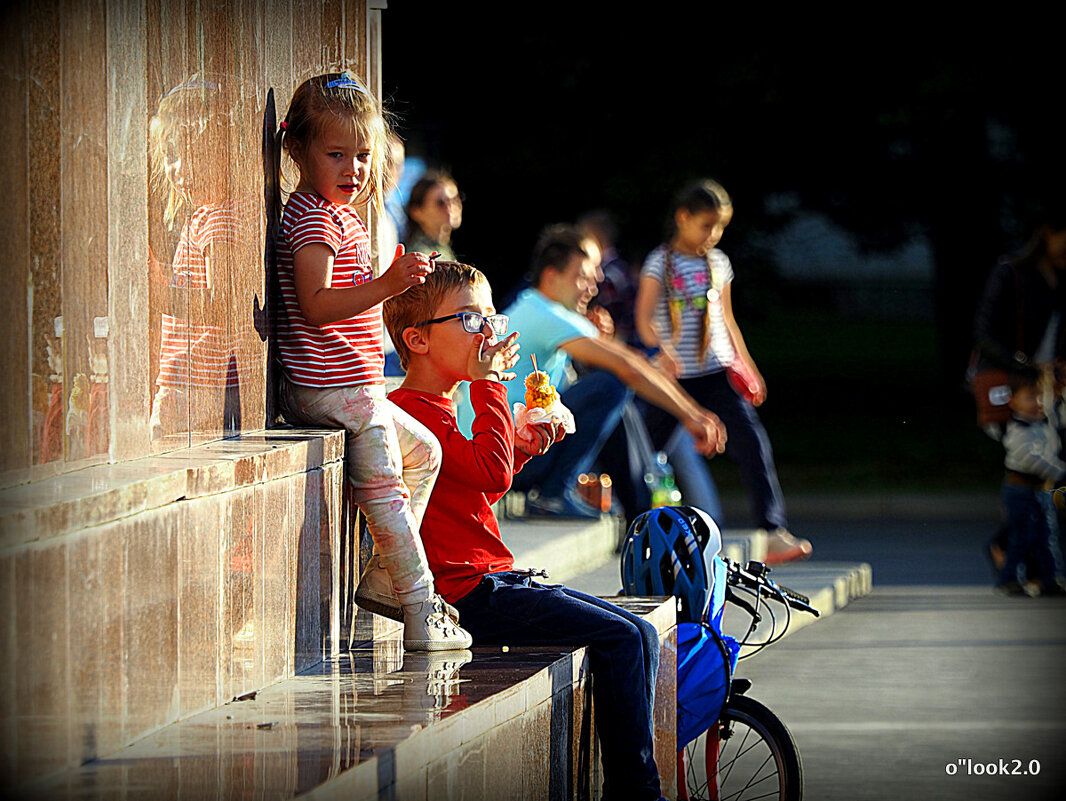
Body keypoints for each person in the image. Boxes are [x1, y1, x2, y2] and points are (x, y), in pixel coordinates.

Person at [382, 260, 667, 801]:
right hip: (467, 593)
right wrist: (491, 387)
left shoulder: (436, 407)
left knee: (641, 632)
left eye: (488, 317)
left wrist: (520, 442)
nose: (487, 334)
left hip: (489, 580)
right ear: (417, 340)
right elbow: (484, 474)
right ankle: (638, 793)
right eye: (469, 319)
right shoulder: (415, 412)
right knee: (625, 636)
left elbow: (476, 491)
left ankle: (635, 788)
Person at [273, 71, 470, 651]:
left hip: (355, 386)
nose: (352, 169)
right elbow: (315, 306)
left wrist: (393, 284)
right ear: (297, 150)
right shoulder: (311, 217)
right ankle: (417, 606)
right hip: (322, 385)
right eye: (336, 154)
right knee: (384, 477)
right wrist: (386, 284)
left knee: (425, 449)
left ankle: (384, 581)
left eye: (363, 156)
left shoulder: (342, 217)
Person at [634, 179, 811, 564]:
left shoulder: (718, 263)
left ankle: (772, 529)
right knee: (647, 451)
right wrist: (658, 350)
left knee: (751, 442)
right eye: (705, 225)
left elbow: (727, 321)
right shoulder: (659, 263)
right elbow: (644, 317)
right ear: (682, 218)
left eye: (719, 228)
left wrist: (747, 366)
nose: (712, 235)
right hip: (673, 380)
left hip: (714, 373)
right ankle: (628, 520)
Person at [503, 224, 726, 519]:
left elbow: (625, 359)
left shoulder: (535, 308)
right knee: (611, 385)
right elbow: (628, 367)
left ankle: (640, 512)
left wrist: (691, 412)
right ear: (551, 276)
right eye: (582, 277)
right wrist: (692, 416)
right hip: (513, 462)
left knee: (616, 399)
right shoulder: (548, 314)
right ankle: (555, 494)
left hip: (512, 455)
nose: (593, 288)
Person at [996, 368, 1066, 596]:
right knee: (1021, 536)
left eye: (1040, 396)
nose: (1037, 402)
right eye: (1029, 397)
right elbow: (1031, 460)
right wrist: (1059, 470)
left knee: (1047, 536)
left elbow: (1053, 445)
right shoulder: (1017, 431)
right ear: (1013, 401)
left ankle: (1050, 579)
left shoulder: (1043, 424)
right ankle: (1009, 579)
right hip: (1020, 490)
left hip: (1041, 490)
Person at [403, 170, 463, 261]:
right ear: (416, 212)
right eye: (441, 202)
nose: (451, 207)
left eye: (455, 199)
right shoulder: (420, 257)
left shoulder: (443, 248)